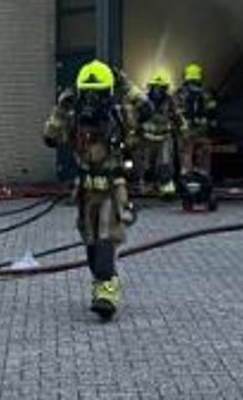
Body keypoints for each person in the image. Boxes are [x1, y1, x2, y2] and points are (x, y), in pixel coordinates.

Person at [43, 60, 141, 320]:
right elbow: (50, 138)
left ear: (109, 93)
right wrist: (62, 108)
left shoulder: (119, 115)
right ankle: (104, 282)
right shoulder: (74, 118)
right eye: (86, 93)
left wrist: (127, 85)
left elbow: (149, 110)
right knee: (90, 242)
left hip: (112, 188)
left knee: (106, 236)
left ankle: (106, 291)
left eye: (97, 94)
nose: (91, 100)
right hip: (85, 192)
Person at [137, 72, 185, 199]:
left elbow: (177, 116)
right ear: (151, 87)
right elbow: (136, 118)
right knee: (145, 164)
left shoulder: (170, 101)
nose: (157, 91)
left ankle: (165, 187)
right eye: (155, 87)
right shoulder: (144, 101)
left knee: (165, 163)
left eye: (160, 87)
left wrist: (182, 127)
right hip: (147, 138)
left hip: (164, 137)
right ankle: (146, 185)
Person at [175, 63, 217, 178]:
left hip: (186, 129)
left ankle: (186, 176)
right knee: (203, 153)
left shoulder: (180, 93)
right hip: (202, 129)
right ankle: (203, 176)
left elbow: (175, 111)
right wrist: (212, 125)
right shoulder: (207, 93)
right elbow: (212, 111)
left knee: (185, 153)